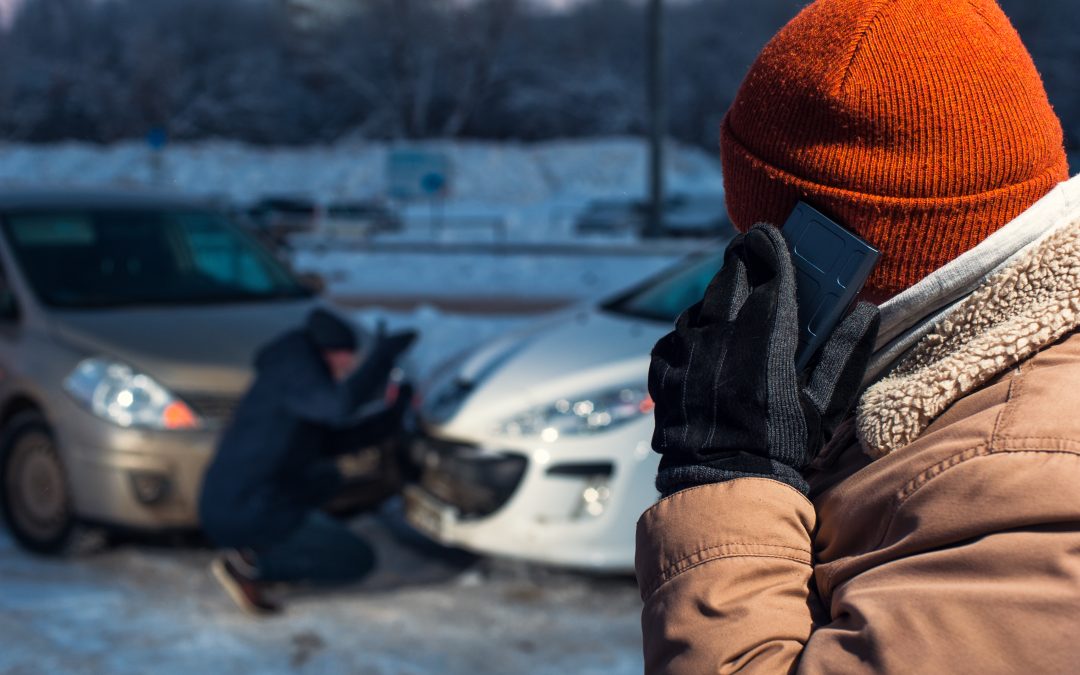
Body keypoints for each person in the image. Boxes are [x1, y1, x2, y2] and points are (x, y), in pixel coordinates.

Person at [637, 0, 1080, 672]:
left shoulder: (1030, 490)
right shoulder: (964, 390)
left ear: (823, 257)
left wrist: (727, 480)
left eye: (760, 244)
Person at [199, 308, 417, 615]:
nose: (349, 367)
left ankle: (275, 542)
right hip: (243, 508)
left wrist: (392, 417)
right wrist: (382, 357)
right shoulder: (296, 373)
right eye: (346, 358)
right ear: (328, 352)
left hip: (242, 499)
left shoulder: (295, 378)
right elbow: (338, 408)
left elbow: (331, 441)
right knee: (358, 560)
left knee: (328, 477)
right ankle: (251, 566)